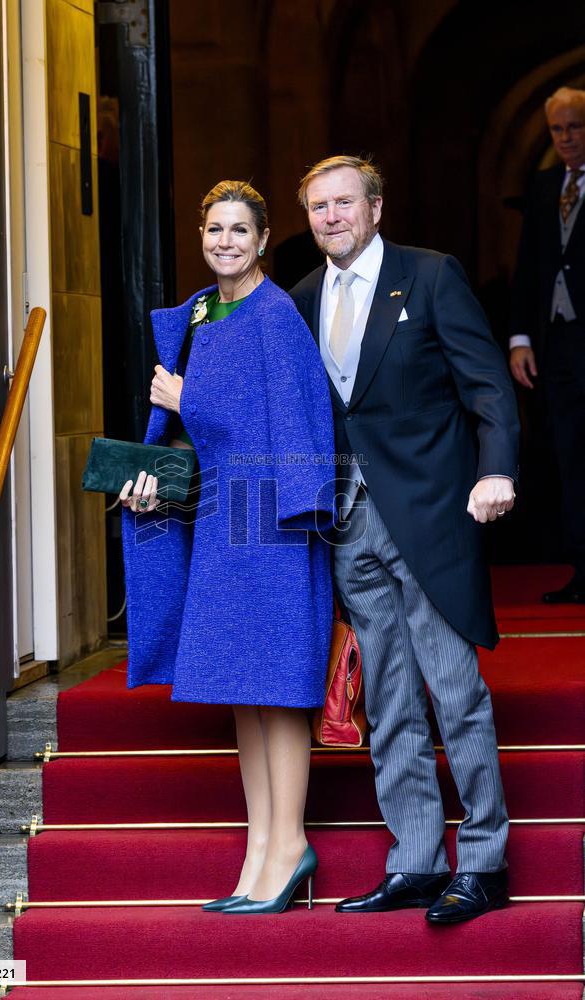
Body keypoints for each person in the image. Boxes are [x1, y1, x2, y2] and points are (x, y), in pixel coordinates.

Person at [290, 155, 520, 924]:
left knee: (455, 694)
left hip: (430, 516)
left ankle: (485, 862)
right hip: (350, 524)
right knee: (388, 702)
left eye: (343, 202)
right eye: (318, 206)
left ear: (376, 207)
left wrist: (498, 470)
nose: (330, 216)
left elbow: (486, 383)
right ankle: (417, 861)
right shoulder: (301, 299)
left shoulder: (430, 277)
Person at [118, 180, 336, 915]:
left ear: (264, 238)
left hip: (270, 525)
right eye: (215, 228)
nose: (225, 241)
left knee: (278, 696)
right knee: (244, 697)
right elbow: (188, 435)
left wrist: (188, 400)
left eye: (240, 230)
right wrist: (148, 471)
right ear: (202, 234)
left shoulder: (276, 317)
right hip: (221, 521)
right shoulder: (203, 313)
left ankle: (291, 843)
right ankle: (259, 850)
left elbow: (294, 429)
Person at [509, 86, 585, 603]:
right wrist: (519, 338)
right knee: (569, 455)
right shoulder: (542, 187)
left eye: (575, 127)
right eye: (557, 129)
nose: (565, 138)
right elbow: (529, 268)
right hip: (556, 344)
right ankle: (583, 568)